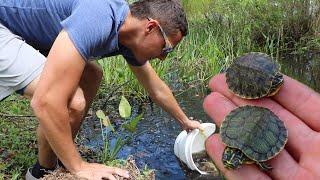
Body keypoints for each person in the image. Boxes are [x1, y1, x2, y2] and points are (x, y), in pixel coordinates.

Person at [0, 0, 202, 179]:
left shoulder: (126, 34)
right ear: (150, 27)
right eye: (166, 48)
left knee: (92, 75)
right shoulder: (99, 17)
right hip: (4, 27)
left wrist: (184, 121)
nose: (162, 57)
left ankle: (51, 164)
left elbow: (156, 88)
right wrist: (79, 167)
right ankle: (43, 172)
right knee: (71, 101)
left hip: (25, 32)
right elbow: (46, 102)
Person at [203, 73, 320, 179]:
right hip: (255, 118)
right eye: (232, 162)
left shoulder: (229, 138)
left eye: (227, 160)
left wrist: (261, 164)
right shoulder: (228, 139)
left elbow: (258, 157)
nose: (229, 163)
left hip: (261, 120)